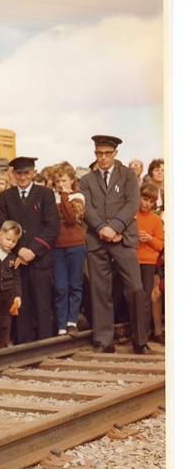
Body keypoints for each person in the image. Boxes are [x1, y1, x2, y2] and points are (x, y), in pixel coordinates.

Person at [79, 135, 151, 354]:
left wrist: (116, 228)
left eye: (107, 154)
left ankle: (140, 341)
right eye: (99, 154)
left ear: (115, 154)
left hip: (123, 239)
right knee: (100, 291)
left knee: (135, 288)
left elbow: (132, 203)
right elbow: (86, 208)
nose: (103, 158)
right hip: (98, 240)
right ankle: (104, 341)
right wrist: (102, 228)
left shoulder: (127, 175)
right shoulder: (87, 180)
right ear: (95, 154)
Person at [0, 156, 59, 343]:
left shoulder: (45, 194)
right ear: (13, 174)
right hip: (17, 261)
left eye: (26, 173)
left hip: (41, 260)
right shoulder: (6, 196)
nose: (22, 177)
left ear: (33, 173)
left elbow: (52, 227)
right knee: (20, 305)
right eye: (19, 173)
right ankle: (24, 346)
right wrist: (19, 250)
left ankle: (45, 344)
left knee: (42, 304)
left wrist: (32, 251)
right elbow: (1, 226)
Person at [51, 161, 86, 337]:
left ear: (72, 180)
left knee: (75, 284)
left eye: (64, 180)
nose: (60, 184)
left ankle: (72, 321)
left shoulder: (78, 197)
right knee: (60, 287)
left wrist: (65, 195)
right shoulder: (51, 198)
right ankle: (61, 324)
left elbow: (72, 218)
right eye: (57, 181)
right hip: (57, 247)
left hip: (76, 246)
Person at [135, 183, 164, 342]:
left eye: (151, 201)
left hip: (148, 262)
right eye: (144, 199)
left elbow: (161, 244)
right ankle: (136, 331)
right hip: (132, 260)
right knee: (134, 296)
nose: (147, 204)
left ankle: (144, 332)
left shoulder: (155, 220)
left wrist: (150, 239)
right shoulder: (132, 215)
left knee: (146, 297)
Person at [0, 220, 22, 348]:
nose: (10, 243)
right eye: (8, 239)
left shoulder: (13, 257)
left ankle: (2, 346)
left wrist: (18, 295)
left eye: (14, 241)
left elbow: (16, 277)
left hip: (8, 293)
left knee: (5, 322)